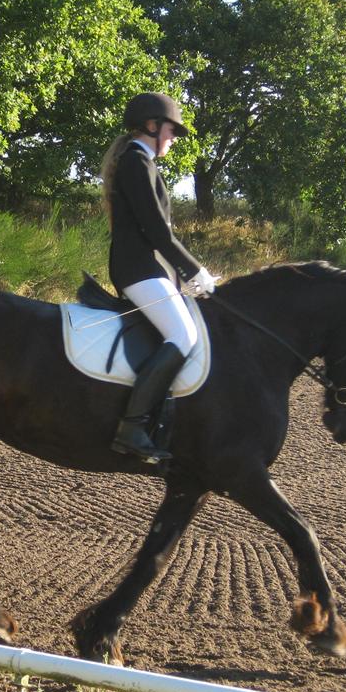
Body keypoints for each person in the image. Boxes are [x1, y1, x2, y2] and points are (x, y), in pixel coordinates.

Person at [100, 92, 217, 462]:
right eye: (171, 130)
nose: (173, 138)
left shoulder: (143, 163)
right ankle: (132, 426)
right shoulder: (136, 162)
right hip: (138, 270)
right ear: (152, 126)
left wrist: (183, 276)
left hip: (147, 269)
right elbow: (157, 232)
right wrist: (195, 272)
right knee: (183, 335)